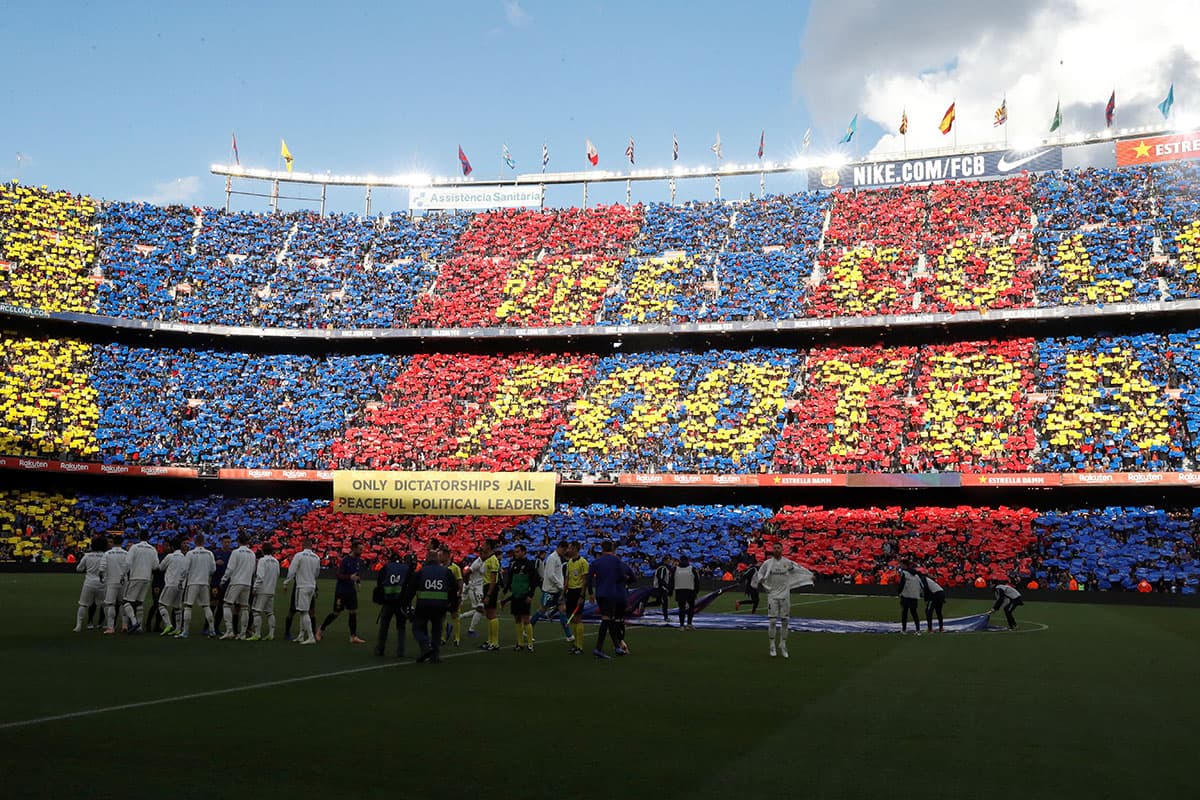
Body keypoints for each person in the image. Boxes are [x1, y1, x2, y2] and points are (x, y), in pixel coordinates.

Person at [752, 542, 813, 658]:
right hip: (773, 595)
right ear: (772, 550)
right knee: (773, 621)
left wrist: (809, 575)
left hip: (785, 595)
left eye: (778, 548)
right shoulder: (767, 563)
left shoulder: (787, 563)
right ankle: (772, 645)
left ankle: (783, 644)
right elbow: (759, 575)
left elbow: (798, 569)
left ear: (782, 549)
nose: (776, 549)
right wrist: (764, 584)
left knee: (785, 621)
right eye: (774, 548)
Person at [402, 548, 460, 664]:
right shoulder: (446, 571)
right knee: (437, 630)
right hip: (440, 606)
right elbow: (455, 589)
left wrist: (405, 604)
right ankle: (435, 655)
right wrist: (453, 606)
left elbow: (410, 590)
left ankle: (425, 646)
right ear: (438, 559)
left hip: (423, 605)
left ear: (427, 559)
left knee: (418, 627)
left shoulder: (421, 572)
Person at [587, 540, 636, 660]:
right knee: (607, 619)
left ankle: (617, 646)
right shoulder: (616, 561)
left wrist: (590, 593)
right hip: (611, 593)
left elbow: (589, 579)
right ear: (613, 549)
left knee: (610, 619)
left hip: (600, 593)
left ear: (602, 549)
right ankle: (598, 648)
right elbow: (621, 576)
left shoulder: (596, 562)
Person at [318, 541, 366, 644]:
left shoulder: (358, 560)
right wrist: (350, 577)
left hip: (351, 591)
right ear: (353, 549)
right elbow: (339, 575)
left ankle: (353, 636)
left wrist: (358, 582)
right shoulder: (345, 561)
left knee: (353, 612)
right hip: (341, 591)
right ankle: (321, 629)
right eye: (360, 549)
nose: (361, 551)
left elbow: (356, 574)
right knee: (336, 613)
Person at [374, 548, 415, 657]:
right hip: (401, 602)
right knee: (401, 627)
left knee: (384, 626)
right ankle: (401, 651)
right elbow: (410, 586)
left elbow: (379, 585)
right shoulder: (406, 569)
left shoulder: (386, 567)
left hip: (388, 601)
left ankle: (380, 649)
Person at [530, 541, 573, 641]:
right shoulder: (552, 558)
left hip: (557, 590)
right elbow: (550, 575)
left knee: (562, 609)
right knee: (542, 609)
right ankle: (528, 629)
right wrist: (560, 585)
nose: (565, 552)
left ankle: (569, 635)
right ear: (561, 548)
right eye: (564, 549)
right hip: (550, 590)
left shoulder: (557, 558)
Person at [177, 534, 217, 639]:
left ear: (194, 542)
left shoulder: (190, 553)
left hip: (193, 582)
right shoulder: (209, 553)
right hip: (204, 582)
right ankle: (212, 630)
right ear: (204, 542)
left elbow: (185, 569)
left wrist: (181, 580)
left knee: (188, 606)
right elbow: (213, 569)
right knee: (206, 606)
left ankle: (185, 631)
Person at [283, 538, 322, 645]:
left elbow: (292, 570)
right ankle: (301, 635)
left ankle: (310, 636)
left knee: (304, 612)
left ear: (303, 545)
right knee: (303, 610)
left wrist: (286, 582)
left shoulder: (299, 556)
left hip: (302, 586)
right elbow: (317, 573)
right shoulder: (316, 557)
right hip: (312, 586)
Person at [219, 533, 256, 640]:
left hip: (236, 582)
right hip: (247, 582)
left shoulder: (235, 552)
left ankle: (229, 630)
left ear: (238, 541)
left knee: (226, 604)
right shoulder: (252, 554)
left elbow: (230, 568)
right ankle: (243, 633)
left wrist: (223, 580)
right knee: (244, 607)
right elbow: (253, 570)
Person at [505, 544, 539, 652]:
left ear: (524, 552)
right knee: (517, 618)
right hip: (515, 595)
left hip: (524, 595)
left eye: (518, 551)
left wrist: (530, 594)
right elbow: (510, 578)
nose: (516, 553)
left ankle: (529, 644)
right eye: (515, 552)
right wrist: (507, 589)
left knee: (526, 619)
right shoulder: (513, 564)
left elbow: (535, 580)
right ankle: (519, 643)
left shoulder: (529, 564)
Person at [74, 536, 107, 633]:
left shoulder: (87, 556)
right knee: (105, 605)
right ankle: (107, 624)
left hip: (89, 582)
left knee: (83, 604)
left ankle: (79, 626)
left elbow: (78, 569)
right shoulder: (106, 555)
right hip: (102, 583)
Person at [156, 537, 188, 636]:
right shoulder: (185, 557)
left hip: (171, 583)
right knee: (177, 607)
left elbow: (160, 567)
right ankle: (178, 629)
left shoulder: (170, 556)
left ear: (172, 547)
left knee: (161, 604)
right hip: (181, 585)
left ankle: (168, 624)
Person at [248, 542, 280, 641]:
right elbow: (278, 574)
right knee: (270, 613)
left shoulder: (262, 560)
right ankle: (271, 634)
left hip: (262, 589)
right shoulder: (276, 561)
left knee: (256, 611)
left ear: (262, 550)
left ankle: (257, 634)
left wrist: (255, 588)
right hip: (271, 589)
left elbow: (260, 576)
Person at [564, 541, 589, 655]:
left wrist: (582, 595)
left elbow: (584, 580)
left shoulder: (583, 562)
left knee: (578, 617)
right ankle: (575, 645)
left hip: (578, 591)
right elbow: (567, 578)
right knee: (572, 617)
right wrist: (564, 591)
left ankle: (580, 646)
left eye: (570, 548)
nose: (568, 550)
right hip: (570, 591)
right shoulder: (569, 562)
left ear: (575, 549)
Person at [101, 535, 129, 635]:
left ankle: (110, 627)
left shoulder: (107, 553)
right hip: (123, 581)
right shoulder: (126, 553)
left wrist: (102, 577)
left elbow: (102, 567)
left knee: (110, 604)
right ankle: (125, 625)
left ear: (112, 542)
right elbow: (128, 566)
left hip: (111, 581)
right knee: (123, 603)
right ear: (122, 542)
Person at [479, 540, 502, 651]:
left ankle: (495, 642)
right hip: (486, 586)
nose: (482, 546)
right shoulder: (488, 559)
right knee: (488, 614)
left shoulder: (493, 560)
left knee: (492, 613)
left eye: (484, 545)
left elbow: (493, 579)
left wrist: (488, 594)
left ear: (488, 546)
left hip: (490, 587)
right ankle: (490, 640)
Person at [439, 546, 463, 647]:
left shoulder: (455, 568)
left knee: (455, 615)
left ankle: (456, 638)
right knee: (442, 616)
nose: (439, 557)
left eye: (441, 555)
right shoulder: (439, 567)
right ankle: (443, 637)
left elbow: (460, 581)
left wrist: (460, 594)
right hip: (442, 594)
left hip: (453, 595)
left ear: (446, 556)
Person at [210, 534, 233, 636]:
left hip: (227, 583)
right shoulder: (215, 553)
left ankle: (216, 627)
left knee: (222, 606)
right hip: (215, 582)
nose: (227, 544)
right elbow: (209, 567)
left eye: (229, 542)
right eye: (225, 542)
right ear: (221, 542)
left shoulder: (232, 554)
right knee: (213, 604)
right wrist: (215, 563)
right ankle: (207, 627)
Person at [462, 552, 486, 639]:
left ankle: (460, 617)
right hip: (475, 589)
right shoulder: (477, 562)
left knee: (479, 609)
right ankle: (471, 630)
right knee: (480, 609)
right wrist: (468, 583)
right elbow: (466, 573)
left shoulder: (484, 562)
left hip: (479, 588)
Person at [673, 555, 701, 630]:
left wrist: (671, 589)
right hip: (690, 589)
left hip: (679, 590)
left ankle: (681, 625)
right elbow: (697, 581)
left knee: (681, 608)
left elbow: (672, 580)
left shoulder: (675, 569)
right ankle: (689, 623)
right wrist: (696, 591)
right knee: (691, 608)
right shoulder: (692, 568)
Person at [896, 562, 924, 635]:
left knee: (904, 613)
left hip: (906, 595)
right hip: (914, 596)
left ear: (905, 565)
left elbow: (902, 584)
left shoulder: (904, 573)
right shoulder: (917, 575)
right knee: (914, 613)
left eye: (902, 565)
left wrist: (899, 592)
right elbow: (921, 585)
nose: (901, 566)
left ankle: (904, 630)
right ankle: (918, 630)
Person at [649, 556, 674, 623]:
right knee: (665, 602)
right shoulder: (663, 568)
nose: (670, 561)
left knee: (658, 602)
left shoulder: (663, 567)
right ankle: (666, 617)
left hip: (660, 587)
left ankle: (643, 604)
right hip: (660, 588)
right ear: (665, 561)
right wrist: (667, 587)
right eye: (669, 560)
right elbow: (661, 579)